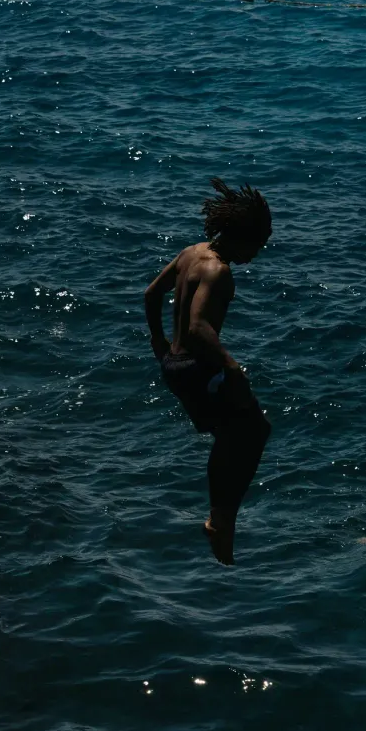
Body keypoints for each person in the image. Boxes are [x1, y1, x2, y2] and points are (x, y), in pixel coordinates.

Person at [144, 178, 272, 565]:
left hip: (174, 365)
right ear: (241, 237)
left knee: (232, 434)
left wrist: (158, 342)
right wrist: (233, 367)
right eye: (258, 245)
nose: (258, 254)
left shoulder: (190, 253)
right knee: (255, 431)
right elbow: (199, 327)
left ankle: (221, 522)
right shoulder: (219, 272)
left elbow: (151, 294)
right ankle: (221, 520)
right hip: (199, 369)